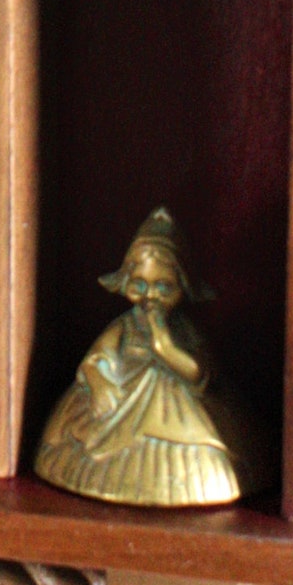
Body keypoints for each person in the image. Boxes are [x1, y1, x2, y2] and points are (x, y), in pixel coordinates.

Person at [33, 208, 265, 508]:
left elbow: (201, 374)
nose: (150, 297)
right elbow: (94, 360)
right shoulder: (125, 326)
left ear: (183, 286)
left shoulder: (184, 330)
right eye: (139, 285)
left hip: (176, 411)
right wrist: (99, 384)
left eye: (164, 287)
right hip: (121, 405)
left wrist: (165, 348)